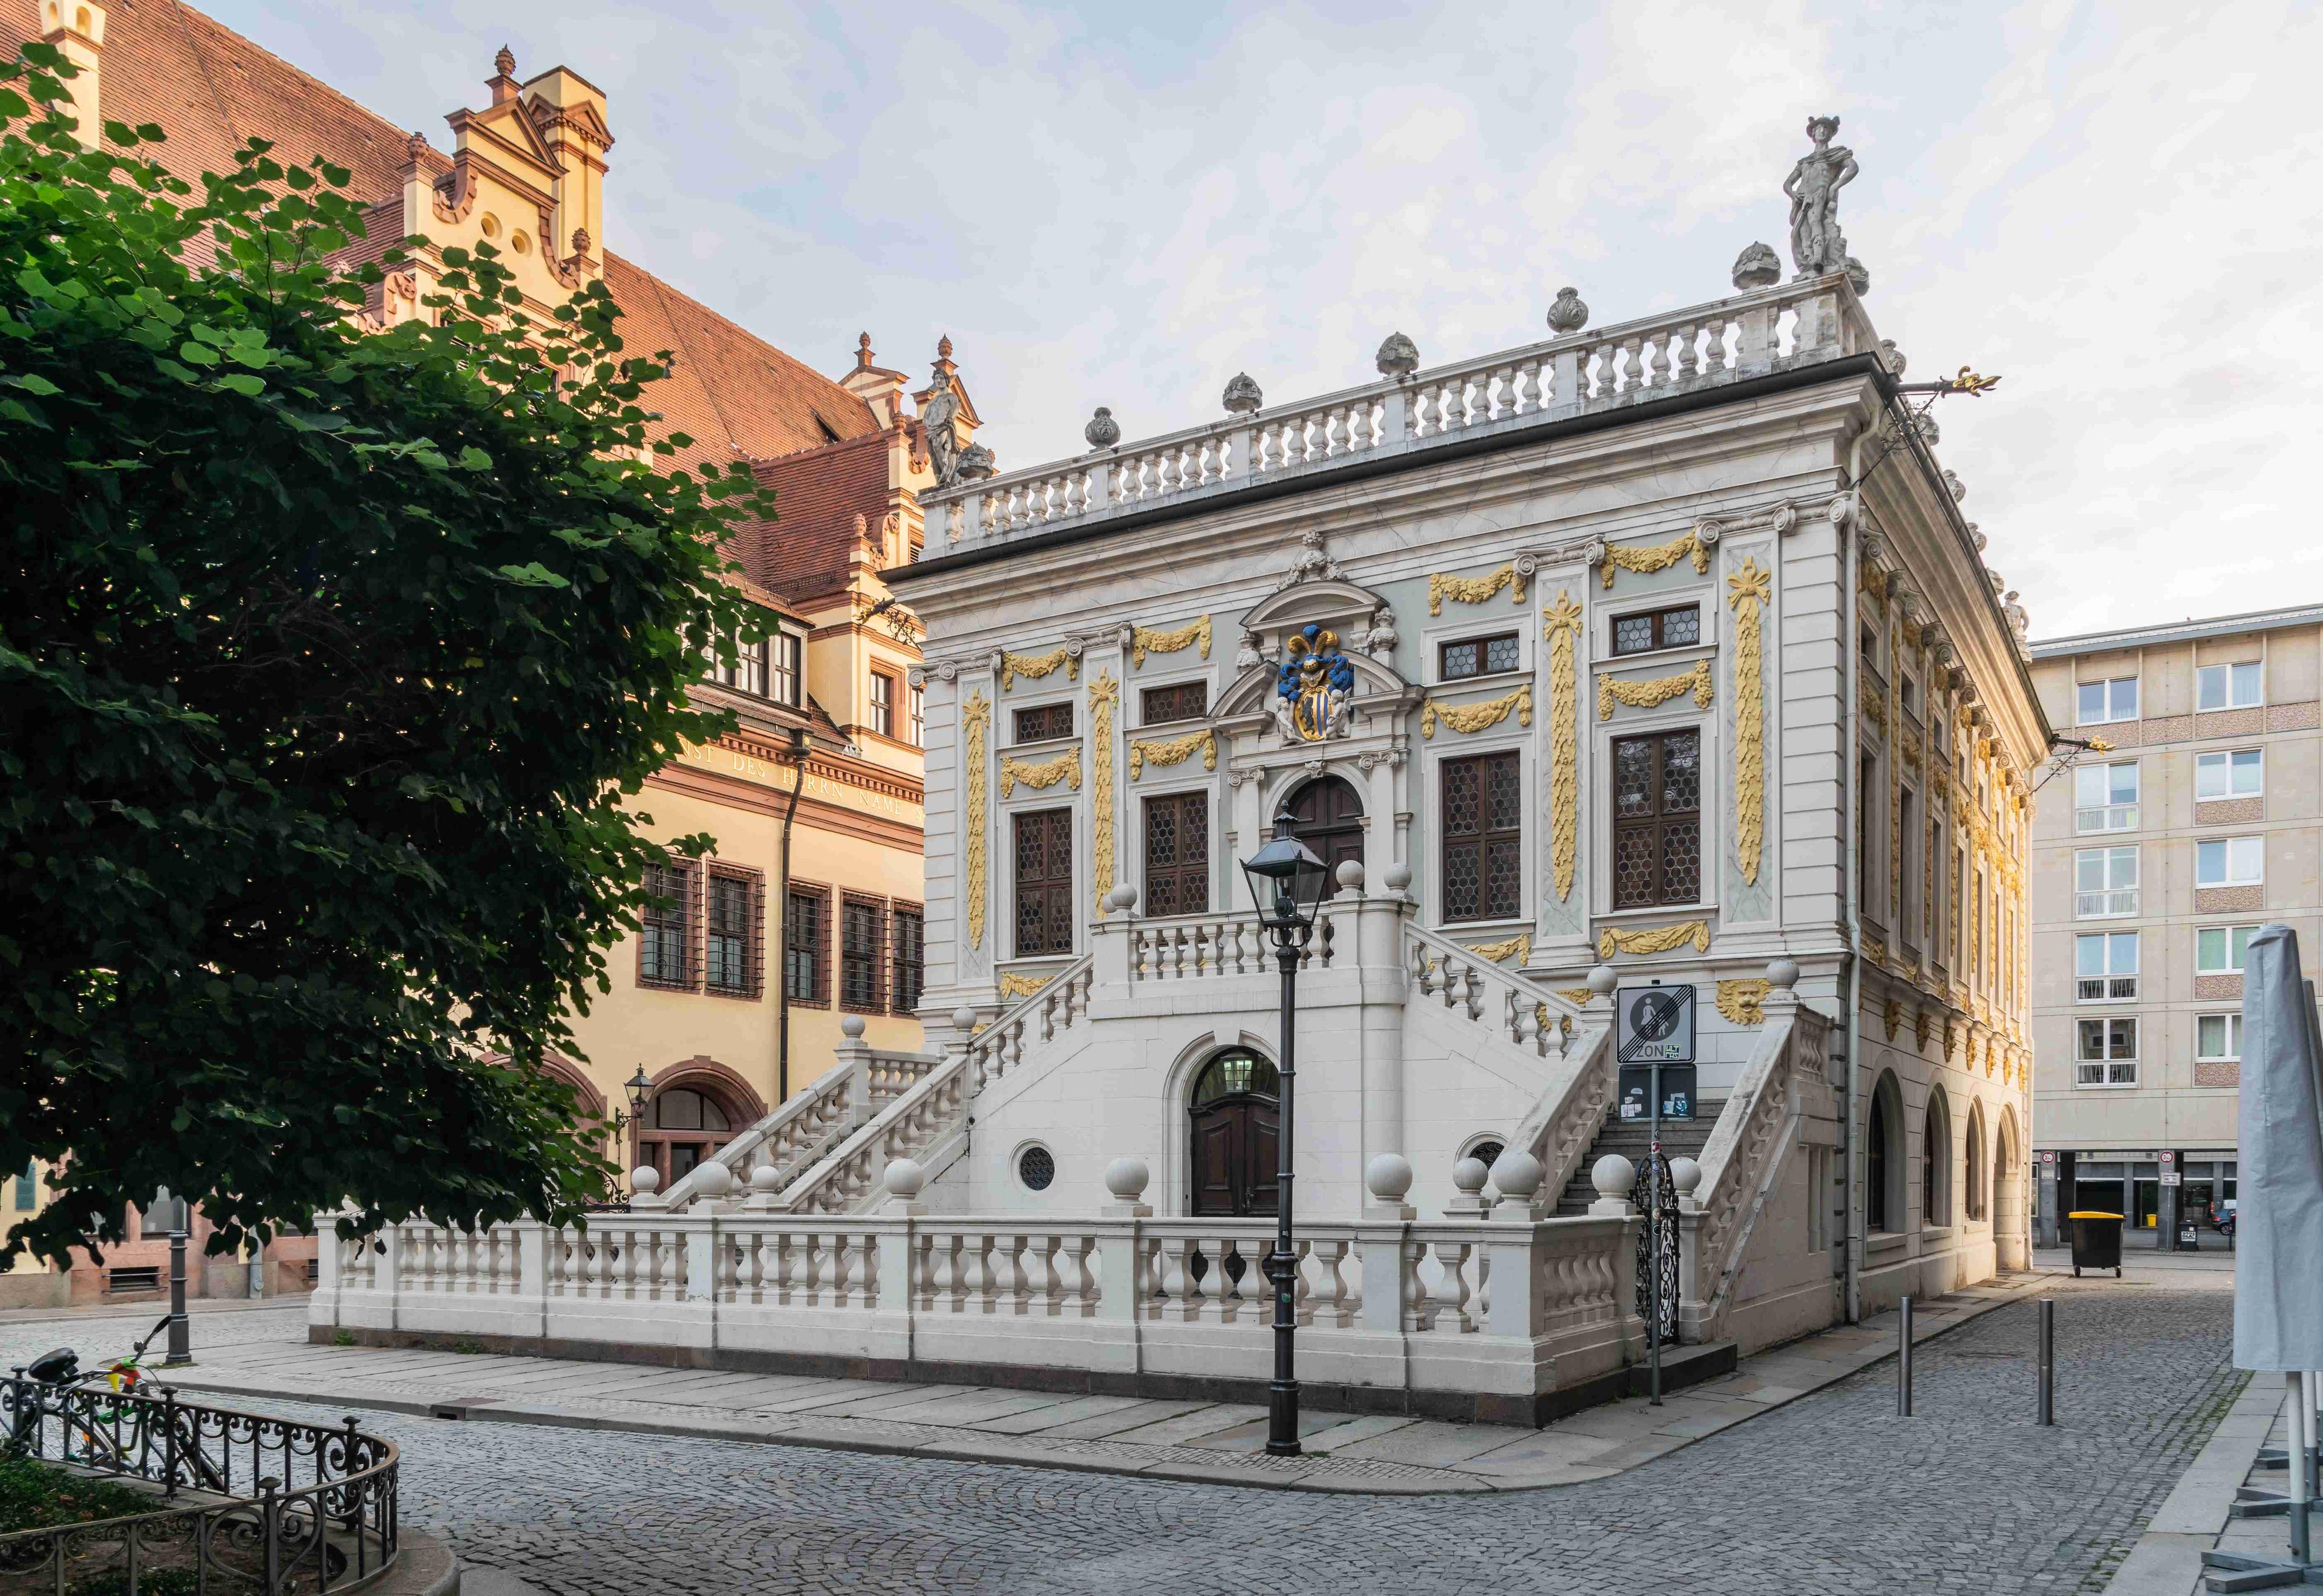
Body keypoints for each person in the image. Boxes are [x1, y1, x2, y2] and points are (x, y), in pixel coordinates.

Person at [1784, 116, 1859, 278]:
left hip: (1819, 192)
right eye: (1819, 129)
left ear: (1830, 134)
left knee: (1815, 220)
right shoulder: (1805, 161)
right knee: (1803, 230)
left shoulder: (1835, 154)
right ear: (1813, 134)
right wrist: (1794, 194)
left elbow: (1853, 167)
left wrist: (1835, 186)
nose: (1822, 131)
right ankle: (1809, 259)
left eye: (1826, 129)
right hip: (1802, 196)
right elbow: (1788, 183)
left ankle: (1819, 257)